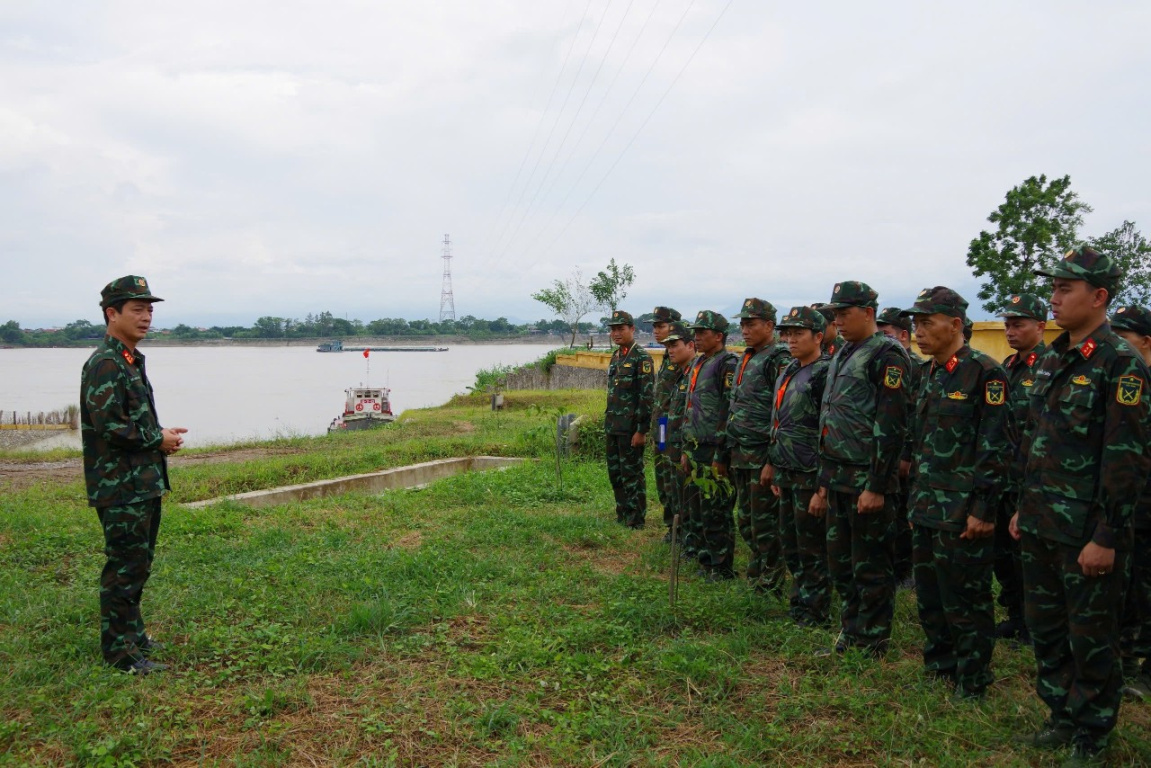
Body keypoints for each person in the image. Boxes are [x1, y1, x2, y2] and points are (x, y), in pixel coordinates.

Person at [1010, 247, 1151, 766]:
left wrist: (1107, 536)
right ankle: (1060, 717)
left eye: (1065, 289)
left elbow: (1127, 458)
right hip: (1043, 521)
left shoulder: (1120, 363)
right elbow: (1036, 442)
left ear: (1099, 297)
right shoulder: (1052, 357)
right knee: (1046, 628)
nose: (1054, 298)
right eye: (1054, 287)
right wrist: (1024, 507)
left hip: (1087, 532)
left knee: (1091, 637)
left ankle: (1092, 734)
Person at [901, 287, 1011, 700]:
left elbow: (995, 446)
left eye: (926, 323)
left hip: (963, 510)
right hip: (927, 505)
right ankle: (940, 665)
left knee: (966, 597)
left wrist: (983, 510)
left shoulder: (985, 373)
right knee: (930, 595)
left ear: (955, 324)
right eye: (915, 324)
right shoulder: (926, 373)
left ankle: (972, 677)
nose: (918, 332)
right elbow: (920, 445)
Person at [82, 275, 187, 675]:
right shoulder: (106, 363)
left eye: (149, 310)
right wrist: (156, 439)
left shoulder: (127, 358)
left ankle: (133, 636)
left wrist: (160, 435)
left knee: (137, 563)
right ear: (112, 314)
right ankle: (120, 654)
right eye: (137, 310)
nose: (146, 317)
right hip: (120, 485)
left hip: (138, 483)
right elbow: (111, 426)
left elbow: (130, 422)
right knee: (124, 568)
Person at [814, 281, 910, 658]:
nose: (837, 320)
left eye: (844, 313)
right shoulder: (842, 353)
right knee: (841, 564)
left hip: (866, 480)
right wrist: (823, 481)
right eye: (834, 314)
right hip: (836, 477)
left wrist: (877, 484)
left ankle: (872, 642)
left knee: (870, 565)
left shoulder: (886, 355)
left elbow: (891, 427)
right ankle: (849, 633)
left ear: (868, 313)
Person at [719, 298, 791, 595]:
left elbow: (783, 410)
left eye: (751, 324)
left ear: (770, 326)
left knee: (765, 524)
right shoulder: (747, 356)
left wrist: (773, 459)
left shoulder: (779, 358)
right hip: (741, 451)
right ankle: (757, 573)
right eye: (743, 324)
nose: (744, 330)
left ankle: (770, 583)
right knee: (747, 520)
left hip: (762, 453)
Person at [769, 306, 832, 626]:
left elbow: (828, 430)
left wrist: (824, 483)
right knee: (791, 544)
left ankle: (816, 610)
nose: (790, 339)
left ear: (818, 337)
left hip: (811, 473)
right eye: (787, 333)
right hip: (788, 469)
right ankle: (799, 603)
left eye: (798, 333)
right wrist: (777, 468)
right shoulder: (789, 369)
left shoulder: (825, 373)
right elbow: (779, 421)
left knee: (812, 548)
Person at [995, 293, 1048, 643]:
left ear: (1041, 326)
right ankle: (1015, 615)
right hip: (1002, 475)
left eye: (1019, 324)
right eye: (1008, 325)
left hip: (1033, 479)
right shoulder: (1007, 367)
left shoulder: (1050, 366)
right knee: (1003, 554)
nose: (1011, 332)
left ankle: (1035, 625)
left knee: (1030, 557)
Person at [1108, 305, 1151, 700]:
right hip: (1127, 506)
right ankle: (1122, 663)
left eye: (1125, 336)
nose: (1117, 344)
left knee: (1146, 587)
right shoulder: (1119, 380)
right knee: (1124, 587)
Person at [682, 310, 740, 580]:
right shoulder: (698, 363)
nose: (697, 337)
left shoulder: (726, 363)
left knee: (716, 508)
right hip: (694, 445)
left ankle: (721, 565)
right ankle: (705, 557)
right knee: (699, 508)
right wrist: (685, 447)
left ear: (718, 336)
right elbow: (689, 407)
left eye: (702, 332)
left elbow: (727, 410)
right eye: (695, 332)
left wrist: (721, 453)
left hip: (713, 447)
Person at [877, 307, 923, 590]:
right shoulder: (884, 361)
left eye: (886, 334)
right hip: (890, 451)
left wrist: (906, 453)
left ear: (903, 335)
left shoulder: (913, 366)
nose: (881, 339)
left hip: (906, 455)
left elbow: (911, 414)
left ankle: (905, 571)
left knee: (904, 515)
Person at [605, 310, 654, 529]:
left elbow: (646, 396)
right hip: (613, 426)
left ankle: (636, 519)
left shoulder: (641, 357)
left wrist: (641, 430)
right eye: (613, 329)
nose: (616, 333)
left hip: (630, 428)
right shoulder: (616, 356)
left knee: (632, 474)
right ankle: (622, 513)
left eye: (621, 329)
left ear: (632, 329)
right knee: (615, 472)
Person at [650, 306, 684, 542]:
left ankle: (678, 527)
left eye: (660, 326)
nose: (655, 331)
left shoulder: (683, 360)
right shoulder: (666, 357)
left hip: (673, 429)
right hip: (661, 427)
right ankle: (670, 524)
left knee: (674, 479)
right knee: (663, 477)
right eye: (654, 327)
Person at [660, 321, 695, 545]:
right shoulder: (677, 371)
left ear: (690, 345)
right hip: (664, 430)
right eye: (668, 345)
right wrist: (662, 442)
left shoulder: (695, 373)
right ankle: (674, 530)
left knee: (686, 494)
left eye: (675, 344)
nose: (670, 349)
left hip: (684, 445)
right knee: (667, 485)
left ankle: (686, 536)